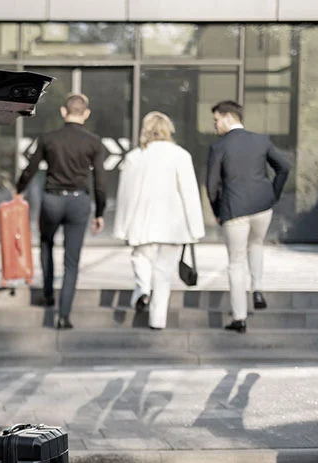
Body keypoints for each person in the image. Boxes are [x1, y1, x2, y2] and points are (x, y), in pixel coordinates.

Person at [15, 92, 107, 329]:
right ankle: (64, 315)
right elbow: (100, 182)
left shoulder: (48, 138)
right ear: (86, 114)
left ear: (63, 112)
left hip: (52, 200)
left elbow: (30, 169)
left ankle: (47, 294)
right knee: (72, 261)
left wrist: (19, 190)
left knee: (46, 243)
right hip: (79, 202)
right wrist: (100, 212)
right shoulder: (94, 142)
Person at [113, 111, 206, 330]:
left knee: (141, 258)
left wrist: (121, 227)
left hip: (142, 222)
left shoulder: (135, 157)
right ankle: (157, 320)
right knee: (164, 274)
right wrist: (196, 228)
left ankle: (143, 289)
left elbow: (125, 195)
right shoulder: (180, 155)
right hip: (172, 226)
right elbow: (189, 193)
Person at [207, 100, 291, 334]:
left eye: (216, 120)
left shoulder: (219, 147)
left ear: (228, 117)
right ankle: (257, 288)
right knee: (256, 245)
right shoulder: (261, 140)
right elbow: (284, 167)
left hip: (234, 209)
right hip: (262, 207)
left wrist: (217, 211)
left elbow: (211, 185)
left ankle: (240, 318)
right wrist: (272, 194)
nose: (215, 126)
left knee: (235, 263)